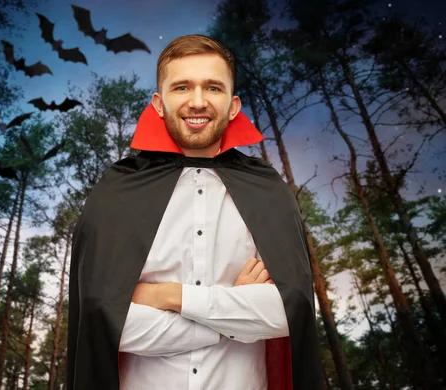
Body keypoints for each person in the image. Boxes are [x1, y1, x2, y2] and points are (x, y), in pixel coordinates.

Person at [66, 34, 324, 390]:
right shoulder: (118, 190)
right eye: (182, 87)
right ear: (159, 103)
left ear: (234, 106)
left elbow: (288, 313)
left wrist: (167, 296)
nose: (198, 102)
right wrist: (233, 321)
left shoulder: (266, 189)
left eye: (213, 88)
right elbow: (104, 323)